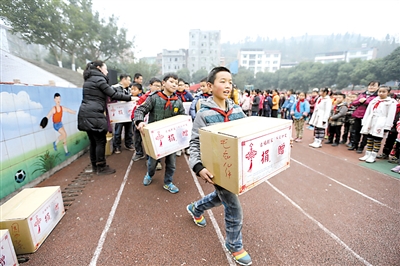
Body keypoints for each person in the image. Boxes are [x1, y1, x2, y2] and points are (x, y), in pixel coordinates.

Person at [187, 66, 252, 266]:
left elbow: (249, 132)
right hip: (216, 168)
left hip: (235, 167)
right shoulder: (203, 115)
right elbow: (195, 143)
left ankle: (195, 207)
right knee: (233, 206)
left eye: (230, 82)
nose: (227, 86)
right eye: (222, 81)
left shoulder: (238, 110)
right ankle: (234, 245)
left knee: (220, 197)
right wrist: (198, 167)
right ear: (210, 86)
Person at [77, 60, 134, 175]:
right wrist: (130, 98)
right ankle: (101, 167)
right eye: (105, 68)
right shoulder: (99, 79)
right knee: (100, 141)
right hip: (94, 114)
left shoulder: (88, 79)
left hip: (85, 113)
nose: (107, 71)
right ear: (99, 68)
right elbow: (113, 93)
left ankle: (95, 166)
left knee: (93, 141)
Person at [134, 73, 185, 193]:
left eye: (176, 83)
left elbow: (183, 117)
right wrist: (140, 121)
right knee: (152, 162)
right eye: (171, 82)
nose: (174, 85)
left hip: (171, 138)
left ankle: (168, 182)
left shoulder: (177, 101)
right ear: (163, 83)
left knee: (171, 163)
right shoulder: (154, 98)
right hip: (155, 138)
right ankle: (149, 174)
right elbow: (140, 109)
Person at [359, 86, 397, 163]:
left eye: (384, 92)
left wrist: (387, 126)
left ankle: (373, 155)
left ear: (388, 93)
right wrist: (365, 122)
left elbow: (391, 115)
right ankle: (367, 154)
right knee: (369, 138)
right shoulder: (374, 100)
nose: (381, 93)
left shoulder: (391, 102)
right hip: (371, 121)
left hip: (381, 122)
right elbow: (368, 112)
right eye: (380, 91)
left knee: (377, 139)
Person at [132, 78, 163, 170]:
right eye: (156, 85)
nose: (158, 88)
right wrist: (137, 120)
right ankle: (139, 153)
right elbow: (138, 110)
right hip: (143, 122)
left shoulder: (162, 98)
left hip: (154, 124)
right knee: (137, 138)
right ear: (150, 86)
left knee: (156, 142)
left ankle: (156, 161)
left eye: (159, 86)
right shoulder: (144, 97)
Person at [348, 81, 379, 153]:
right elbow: (354, 102)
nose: (371, 87)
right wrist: (361, 101)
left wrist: (364, 101)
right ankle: (354, 144)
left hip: (368, 117)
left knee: (365, 132)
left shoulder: (377, 96)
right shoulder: (362, 94)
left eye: (374, 86)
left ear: (377, 87)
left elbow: (372, 104)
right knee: (356, 131)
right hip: (358, 115)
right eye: (370, 85)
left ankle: (361, 146)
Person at [111, 74, 134, 154]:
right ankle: (117, 146)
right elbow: (112, 98)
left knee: (129, 130)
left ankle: (128, 144)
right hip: (119, 113)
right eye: (128, 80)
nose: (130, 82)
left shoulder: (129, 89)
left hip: (128, 112)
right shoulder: (114, 88)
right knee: (118, 130)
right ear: (123, 80)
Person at [176, 78, 194, 156]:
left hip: (187, 117)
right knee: (178, 132)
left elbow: (193, 102)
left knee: (187, 132)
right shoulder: (174, 94)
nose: (180, 87)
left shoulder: (188, 94)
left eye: (182, 85)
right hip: (177, 116)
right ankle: (179, 148)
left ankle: (187, 148)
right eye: (178, 85)